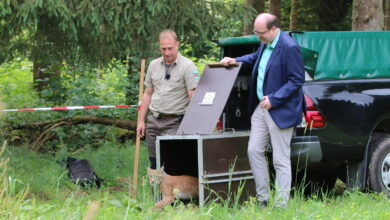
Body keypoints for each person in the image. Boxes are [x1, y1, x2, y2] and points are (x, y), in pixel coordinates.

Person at [220, 13, 305, 208]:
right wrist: (234, 60)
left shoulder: (289, 47)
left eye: (261, 33)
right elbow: (254, 58)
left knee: (280, 159)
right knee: (254, 150)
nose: (258, 36)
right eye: (256, 33)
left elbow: (297, 80)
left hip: (279, 109)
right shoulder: (266, 43)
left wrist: (275, 99)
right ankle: (263, 200)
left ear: (274, 29)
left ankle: (281, 205)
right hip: (261, 107)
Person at [136, 30, 199, 169]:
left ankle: (174, 190)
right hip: (154, 120)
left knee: (171, 162)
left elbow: (193, 97)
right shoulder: (153, 65)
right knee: (154, 161)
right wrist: (141, 121)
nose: (167, 53)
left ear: (177, 45)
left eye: (170, 48)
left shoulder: (188, 66)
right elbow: (147, 94)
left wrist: (192, 124)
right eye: (163, 49)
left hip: (175, 122)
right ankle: (155, 191)